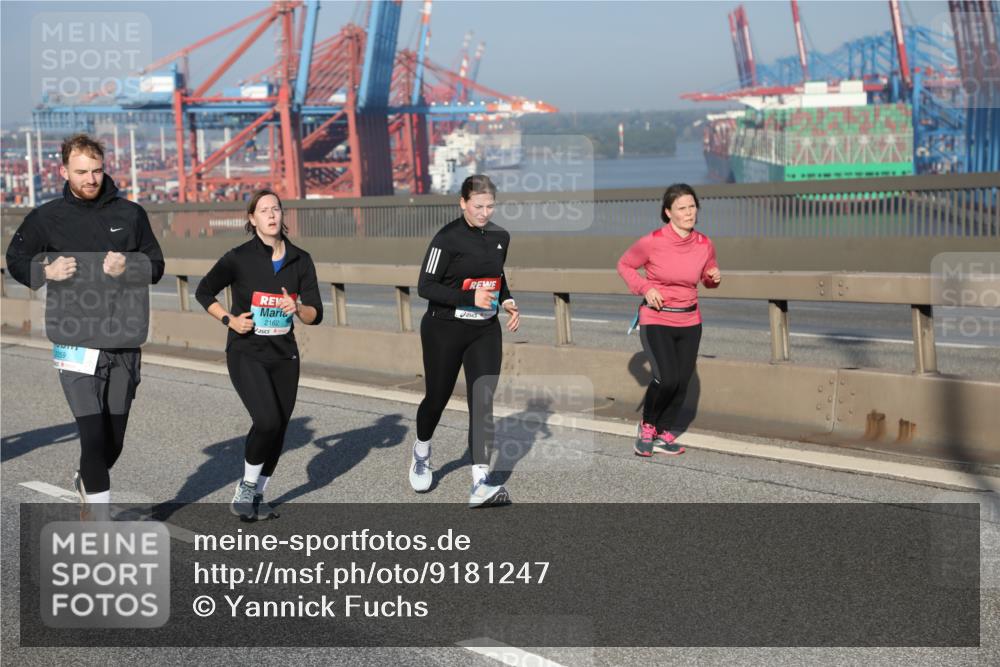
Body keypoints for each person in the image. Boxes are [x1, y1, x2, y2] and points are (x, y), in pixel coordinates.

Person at [5, 133, 164, 519]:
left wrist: (129, 266)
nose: (90, 179)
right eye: (81, 172)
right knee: (92, 436)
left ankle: (86, 480)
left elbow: (156, 266)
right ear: (64, 172)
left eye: (96, 171)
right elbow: (15, 258)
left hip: (123, 338)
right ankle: (100, 523)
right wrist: (46, 270)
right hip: (73, 339)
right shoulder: (47, 217)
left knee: (112, 442)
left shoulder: (131, 215)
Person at [196, 189, 322, 520]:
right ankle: (246, 486)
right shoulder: (239, 258)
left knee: (279, 427)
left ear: (282, 215)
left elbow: (315, 314)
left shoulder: (300, 260)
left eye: (276, 208)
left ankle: (257, 494)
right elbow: (203, 291)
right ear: (252, 219)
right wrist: (229, 319)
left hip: (284, 355)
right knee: (266, 420)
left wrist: (297, 307)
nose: (271, 215)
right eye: (263, 210)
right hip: (246, 350)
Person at [410, 174, 520, 507]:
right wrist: (469, 298)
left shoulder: (501, 236)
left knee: (483, 401)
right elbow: (425, 287)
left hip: (484, 330)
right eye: (478, 206)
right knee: (437, 398)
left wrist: (506, 300)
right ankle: (422, 451)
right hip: (443, 329)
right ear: (462, 203)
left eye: (490, 207)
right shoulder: (447, 239)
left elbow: (496, 276)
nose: (484, 213)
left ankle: (480, 483)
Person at [617, 183, 722, 457]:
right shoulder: (652, 241)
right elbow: (624, 265)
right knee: (666, 379)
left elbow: (707, 277)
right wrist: (645, 288)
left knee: (682, 381)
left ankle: (663, 431)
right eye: (682, 208)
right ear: (668, 212)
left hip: (690, 320)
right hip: (657, 318)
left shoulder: (704, 244)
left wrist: (712, 277)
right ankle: (647, 427)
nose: (689, 213)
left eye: (692, 206)